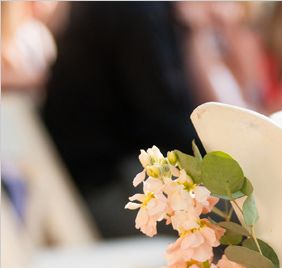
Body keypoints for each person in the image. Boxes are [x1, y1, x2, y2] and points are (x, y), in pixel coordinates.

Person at [42, 1, 199, 237]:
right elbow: (165, 119)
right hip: (104, 188)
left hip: (99, 177)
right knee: (240, 212)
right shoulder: (135, 9)